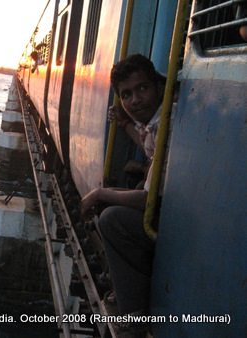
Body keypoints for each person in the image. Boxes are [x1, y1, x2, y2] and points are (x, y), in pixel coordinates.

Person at [81, 54, 174, 332]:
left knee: (112, 218)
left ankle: (134, 313)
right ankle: (123, 288)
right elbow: (148, 145)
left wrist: (99, 193)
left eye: (142, 89)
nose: (135, 100)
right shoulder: (158, 120)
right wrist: (124, 125)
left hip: (178, 221)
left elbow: (148, 200)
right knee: (113, 201)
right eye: (127, 95)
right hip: (172, 211)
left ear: (158, 86)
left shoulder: (168, 121)